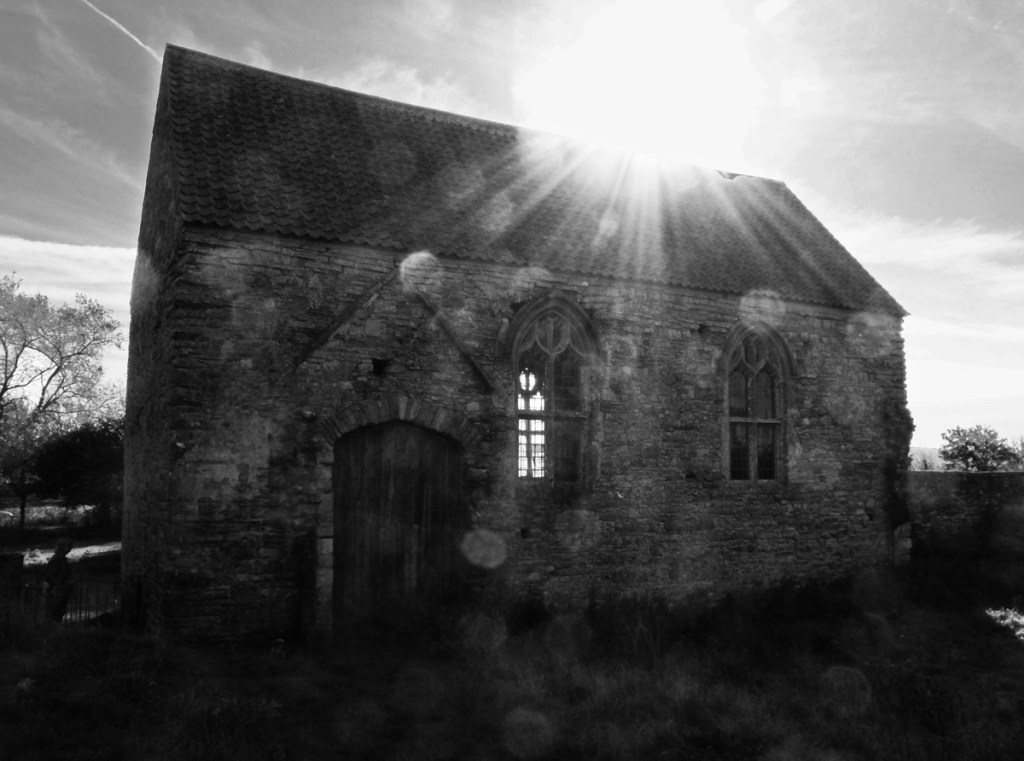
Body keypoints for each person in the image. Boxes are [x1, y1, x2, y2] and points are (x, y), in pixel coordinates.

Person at [43, 537, 74, 622]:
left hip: (61, 590)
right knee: (55, 614)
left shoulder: (61, 559)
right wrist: (57, 586)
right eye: (69, 545)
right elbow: (50, 575)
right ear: (62, 546)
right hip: (57, 591)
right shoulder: (57, 559)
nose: (71, 548)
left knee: (59, 613)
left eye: (71, 545)